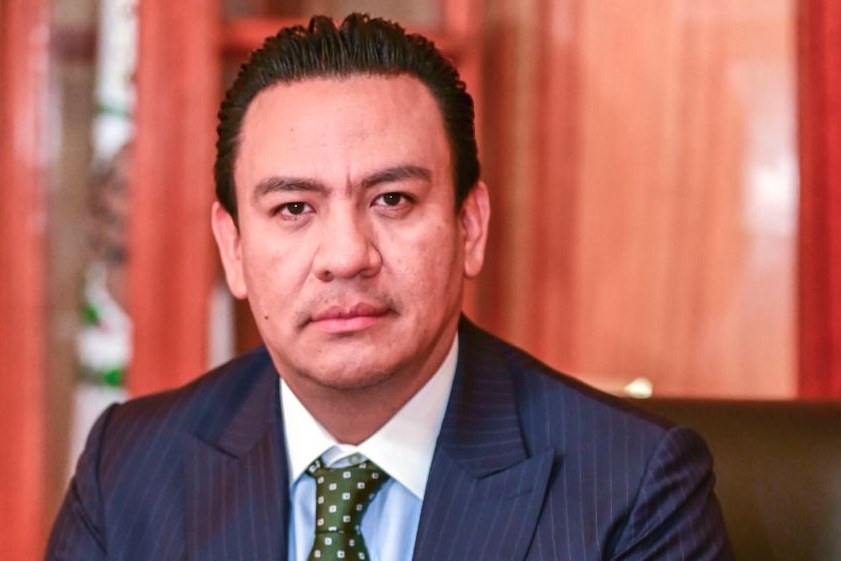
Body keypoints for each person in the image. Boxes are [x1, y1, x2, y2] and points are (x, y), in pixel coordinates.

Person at [46, 13, 732, 561]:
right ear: (233, 249)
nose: (346, 256)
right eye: (294, 208)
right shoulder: (128, 468)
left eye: (392, 200)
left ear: (469, 225)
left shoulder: (631, 485)